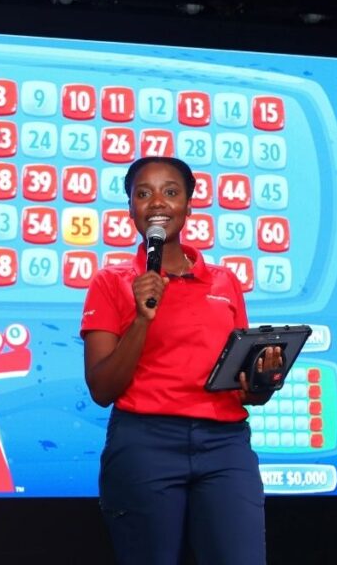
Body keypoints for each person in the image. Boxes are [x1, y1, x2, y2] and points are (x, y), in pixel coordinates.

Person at [80, 156, 282, 565]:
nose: (157, 202)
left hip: (225, 444)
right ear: (130, 208)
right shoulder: (110, 282)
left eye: (171, 192)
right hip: (145, 442)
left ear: (190, 205)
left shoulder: (225, 282)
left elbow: (243, 387)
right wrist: (142, 317)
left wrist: (262, 382)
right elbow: (102, 389)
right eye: (143, 193)